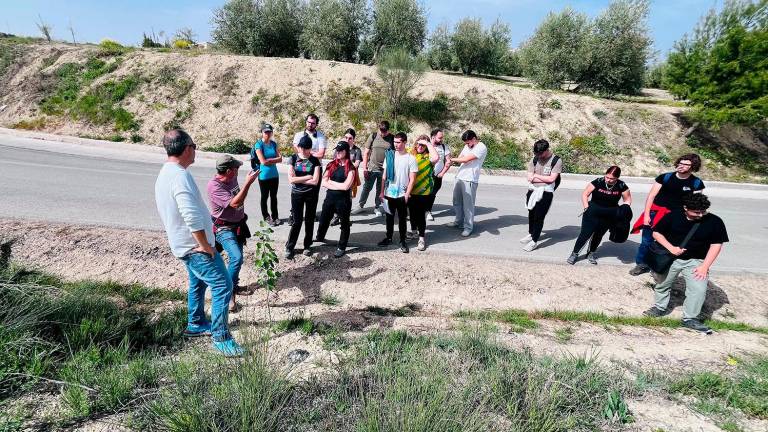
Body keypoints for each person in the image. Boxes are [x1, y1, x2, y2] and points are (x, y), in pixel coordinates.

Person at [154, 129, 244, 357]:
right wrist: (205, 245)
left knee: (197, 283)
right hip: (194, 247)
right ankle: (221, 337)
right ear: (186, 149)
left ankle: (195, 323)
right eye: (194, 146)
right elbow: (190, 214)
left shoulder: (167, 172)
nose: (196, 150)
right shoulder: (179, 176)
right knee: (224, 286)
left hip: (184, 244)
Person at [642, 193, 728, 334]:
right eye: (696, 212)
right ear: (685, 208)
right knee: (663, 284)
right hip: (670, 257)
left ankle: (690, 319)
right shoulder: (673, 216)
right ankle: (659, 307)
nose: (700, 215)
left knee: (698, 289)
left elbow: (716, 245)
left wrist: (704, 266)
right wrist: (671, 248)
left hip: (697, 261)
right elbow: (656, 233)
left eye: (703, 212)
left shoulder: (715, 221)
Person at [629, 154, 705, 276]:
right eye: (680, 162)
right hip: (655, 213)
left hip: (676, 218)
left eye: (685, 164)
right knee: (646, 241)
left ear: (693, 166)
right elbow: (651, 196)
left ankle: (660, 266)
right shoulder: (665, 177)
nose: (681, 165)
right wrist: (647, 215)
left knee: (667, 243)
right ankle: (642, 264)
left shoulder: (696, 183)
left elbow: (696, 204)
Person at [207, 154, 258, 312]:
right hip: (224, 228)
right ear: (229, 171)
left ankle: (233, 286)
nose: (238, 169)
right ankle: (228, 294)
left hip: (238, 226)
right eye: (236, 168)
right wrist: (248, 183)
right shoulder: (214, 187)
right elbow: (236, 203)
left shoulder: (232, 178)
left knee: (237, 260)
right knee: (236, 257)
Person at [567, 166, 632, 265]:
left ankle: (591, 253)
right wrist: (586, 207)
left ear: (617, 178)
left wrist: (624, 209)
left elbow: (627, 199)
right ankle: (574, 253)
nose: (609, 180)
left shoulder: (621, 185)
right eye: (607, 177)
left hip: (610, 214)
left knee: (598, 235)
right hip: (592, 212)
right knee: (585, 234)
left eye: (612, 178)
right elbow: (585, 194)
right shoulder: (598, 182)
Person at [315, 141, 360, 257]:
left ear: (346, 151)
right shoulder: (331, 164)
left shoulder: (351, 168)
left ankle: (342, 246)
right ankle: (319, 237)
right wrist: (335, 184)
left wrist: (331, 182)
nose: (338, 152)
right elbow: (323, 182)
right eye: (337, 150)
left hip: (343, 201)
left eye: (340, 150)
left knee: (344, 224)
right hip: (330, 198)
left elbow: (346, 186)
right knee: (324, 219)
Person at [378, 132, 417, 253]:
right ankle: (389, 237)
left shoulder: (411, 158)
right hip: (389, 193)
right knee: (389, 218)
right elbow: (384, 175)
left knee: (402, 219)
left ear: (405, 142)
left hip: (402, 195)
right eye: (394, 142)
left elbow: (412, 179)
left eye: (399, 142)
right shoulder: (390, 156)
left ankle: (402, 240)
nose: (396, 145)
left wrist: (407, 194)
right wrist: (381, 192)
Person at [285, 135, 321, 259]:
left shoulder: (315, 161)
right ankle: (290, 247)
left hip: (311, 195)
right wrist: (307, 177)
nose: (304, 151)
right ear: (299, 147)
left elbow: (315, 181)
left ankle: (307, 245)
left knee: (310, 221)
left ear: (310, 149)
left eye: (307, 149)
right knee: (297, 221)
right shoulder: (293, 159)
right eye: (302, 148)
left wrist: (298, 180)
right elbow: (291, 179)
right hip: (297, 194)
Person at [522, 139, 562, 251]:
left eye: (540, 154)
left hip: (546, 192)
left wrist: (536, 176)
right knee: (531, 214)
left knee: (539, 217)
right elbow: (529, 177)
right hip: (532, 190)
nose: (538, 156)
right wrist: (536, 177)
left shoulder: (556, 160)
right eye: (536, 154)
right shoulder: (535, 158)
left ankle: (534, 240)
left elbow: (551, 179)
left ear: (546, 150)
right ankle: (531, 233)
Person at [447, 130, 488, 237]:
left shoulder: (481, 147)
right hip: (460, 176)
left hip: (470, 179)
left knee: (468, 205)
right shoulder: (467, 146)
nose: (467, 145)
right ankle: (458, 221)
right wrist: (451, 161)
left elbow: (465, 159)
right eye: (465, 143)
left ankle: (468, 227)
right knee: (457, 201)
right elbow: (461, 157)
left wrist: (451, 159)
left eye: (468, 142)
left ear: (474, 139)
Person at [289, 113, 326, 226]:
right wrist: (311, 153)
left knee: (314, 191)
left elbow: (321, 154)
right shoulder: (298, 135)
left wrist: (308, 153)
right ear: (306, 122)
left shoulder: (320, 136)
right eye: (309, 122)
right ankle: (294, 214)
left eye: (313, 123)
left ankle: (311, 213)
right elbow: (297, 150)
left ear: (316, 124)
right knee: (297, 189)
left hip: (315, 166)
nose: (310, 124)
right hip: (300, 165)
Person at [353, 120, 395, 216]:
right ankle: (360, 205)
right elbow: (366, 153)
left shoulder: (392, 138)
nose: (383, 133)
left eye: (385, 131)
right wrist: (364, 168)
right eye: (381, 130)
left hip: (384, 170)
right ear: (378, 128)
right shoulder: (373, 136)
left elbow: (393, 155)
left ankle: (377, 207)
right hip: (372, 168)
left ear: (388, 130)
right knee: (366, 188)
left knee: (380, 189)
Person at [406, 135, 439, 251]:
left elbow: (436, 158)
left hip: (423, 191)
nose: (420, 147)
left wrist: (428, 143)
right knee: (412, 214)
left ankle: (421, 238)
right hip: (410, 189)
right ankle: (414, 232)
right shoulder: (411, 153)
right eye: (419, 144)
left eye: (423, 145)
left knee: (420, 216)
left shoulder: (428, 156)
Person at [250, 123, 282, 226]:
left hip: (274, 175)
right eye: (265, 132)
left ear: (272, 133)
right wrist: (273, 160)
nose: (268, 134)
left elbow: (280, 159)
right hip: (263, 175)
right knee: (264, 197)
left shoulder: (273, 144)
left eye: (269, 132)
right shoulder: (258, 145)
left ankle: (275, 216)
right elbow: (263, 161)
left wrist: (270, 160)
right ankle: (266, 217)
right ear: (262, 133)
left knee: (274, 197)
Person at [331, 128, 362, 226]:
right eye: (346, 137)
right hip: (338, 177)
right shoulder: (339, 147)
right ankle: (336, 217)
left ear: (354, 139)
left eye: (350, 138)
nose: (348, 140)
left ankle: (346, 218)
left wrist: (344, 163)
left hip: (350, 178)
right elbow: (335, 161)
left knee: (348, 199)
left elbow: (356, 164)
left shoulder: (357, 150)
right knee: (336, 197)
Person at [426, 128, 450, 222]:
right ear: (433, 137)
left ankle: (428, 211)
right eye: (440, 138)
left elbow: (448, 161)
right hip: (425, 176)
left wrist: (442, 173)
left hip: (437, 177)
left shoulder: (444, 147)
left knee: (432, 195)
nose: (441, 140)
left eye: (442, 138)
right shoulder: (426, 146)